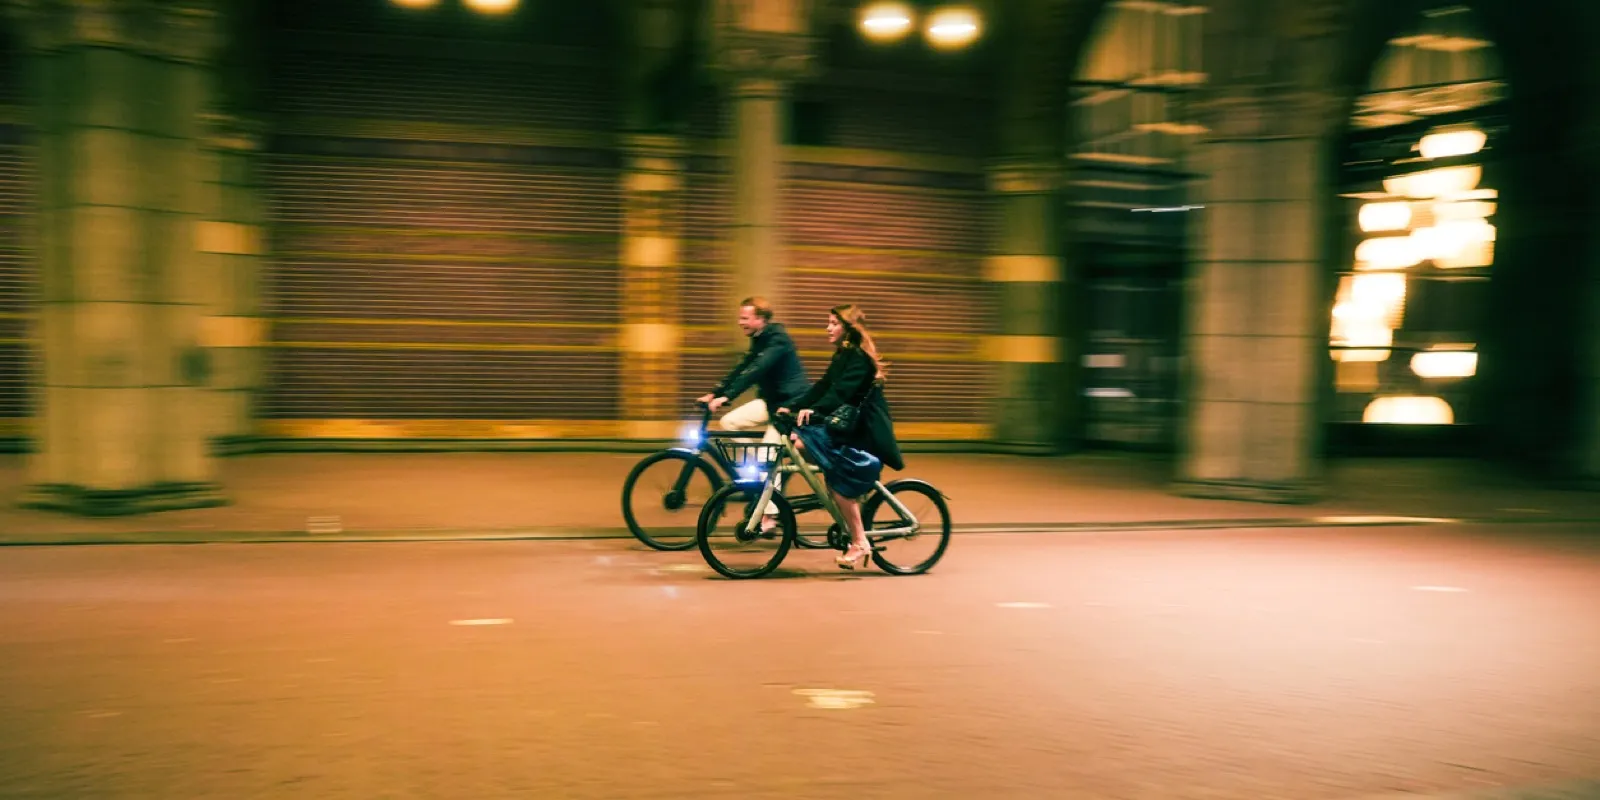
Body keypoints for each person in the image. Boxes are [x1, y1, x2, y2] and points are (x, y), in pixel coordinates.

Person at [778, 304, 903, 570]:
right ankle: (839, 487)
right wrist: (793, 405)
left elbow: (841, 393)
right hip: (846, 428)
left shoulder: (858, 359)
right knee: (798, 442)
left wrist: (815, 410)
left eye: (833, 323)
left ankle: (859, 541)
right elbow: (823, 386)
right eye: (829, 322)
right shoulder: (843, 355)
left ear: (847, 328)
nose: (828, 327)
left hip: (863, 433)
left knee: (839, 486)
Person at [697, 296, 810, 529]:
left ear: (761, 319)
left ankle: (770, 514)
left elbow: (755, 371)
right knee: (729, 422)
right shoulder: (760, 339)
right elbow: (742, 367)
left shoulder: (777, 339)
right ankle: (753, 474)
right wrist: (714, 392)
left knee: (767, 460)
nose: (740, 322)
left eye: (744, 318)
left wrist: (727, 397)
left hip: (788, 406)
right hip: (770, 403)